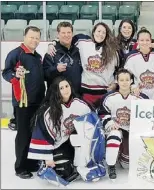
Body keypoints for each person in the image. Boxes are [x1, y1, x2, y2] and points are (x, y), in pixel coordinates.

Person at [28, 76, 91, 183]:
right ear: (56, 91)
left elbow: (92, 125)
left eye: (67, 86)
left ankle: (81, 162)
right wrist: (47, 157)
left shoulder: (81, 105)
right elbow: (42, 134)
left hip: (75, 143)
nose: (65, 90)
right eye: (61, 88)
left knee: (81, 148)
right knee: (64, 171)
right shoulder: (48, 111)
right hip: (58, 145)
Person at [2, 26, 46, 179]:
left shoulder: (38, 56)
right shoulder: (16, 54)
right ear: (25, 37)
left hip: (38, 102)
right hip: (23, 102)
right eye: (31, 37)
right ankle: (20, 167)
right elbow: (6, 72)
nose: (34, 40)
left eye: (37, 37)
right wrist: (15, 74)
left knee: (34, 133)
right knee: (23, 134)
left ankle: (31, 162)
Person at [48, 22, 119, 108]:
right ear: (93, 32)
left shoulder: (113, 51)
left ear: (107, 35)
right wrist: (52, 43)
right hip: (86, 93)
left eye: (104, 32)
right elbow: (66, 38)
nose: (100, 34)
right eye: (99, 31)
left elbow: (119, 70)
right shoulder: (82, 41)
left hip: (105, 93)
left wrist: (115, 83)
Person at [98, 69, 148, 180]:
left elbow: (148, 114)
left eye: (127, 80)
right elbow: (102, 114)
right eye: (121, 80)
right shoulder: (109, 97)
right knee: (114, 135)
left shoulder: (140, 97)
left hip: (131, 132)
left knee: (126, 166)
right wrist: (111, 123)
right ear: (117, 81)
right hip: (116, 129)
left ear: (131, 81)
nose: (124, 82)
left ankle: (121, 155)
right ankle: (111, 165)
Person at [124, 28, 154, 98]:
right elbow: (126, 75)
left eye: (147, 40)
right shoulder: (130, 57)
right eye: (142, 40)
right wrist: (133, 87)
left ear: (151, 41)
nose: (145, 43)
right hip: (139, 95)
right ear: (137, 41)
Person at [43, 21, 82, 95]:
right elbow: (44, 75)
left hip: (76, 97)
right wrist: (56, 69)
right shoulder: (51, 52)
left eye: (69, 32)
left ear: (72, 34)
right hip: (56, 98)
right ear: (58, 34)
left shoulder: (78, 51)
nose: (66, 35)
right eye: (63, 33)